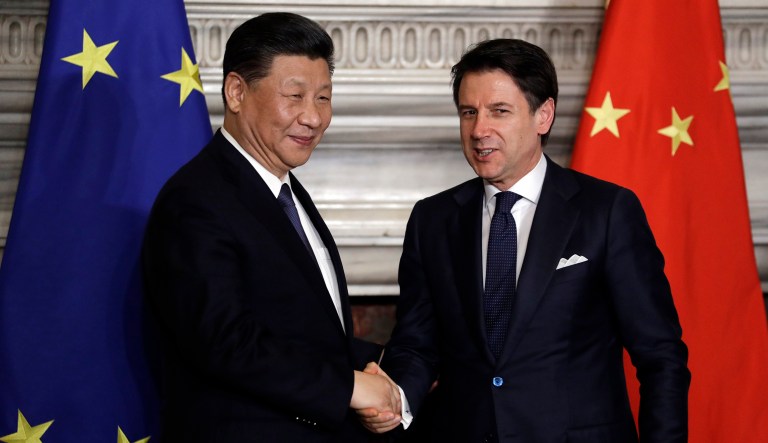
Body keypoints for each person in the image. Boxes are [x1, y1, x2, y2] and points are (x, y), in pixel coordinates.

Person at [361, 39, 691, 442]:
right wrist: (394, 398)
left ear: (543, 116)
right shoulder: (433, 219)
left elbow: (661, 357)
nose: (479, 130)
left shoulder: (606, 211)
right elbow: (418, 345)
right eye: (469, 112)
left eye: (499, 111)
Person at [142, 12, 401, 442]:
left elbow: (306, 332)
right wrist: (350, 387)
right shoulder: (196, 199)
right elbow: (224, 342)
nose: (313, 118)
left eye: (323, 98)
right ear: (236, 92)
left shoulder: (284, 189)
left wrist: (398, 364)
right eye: (294, 96)